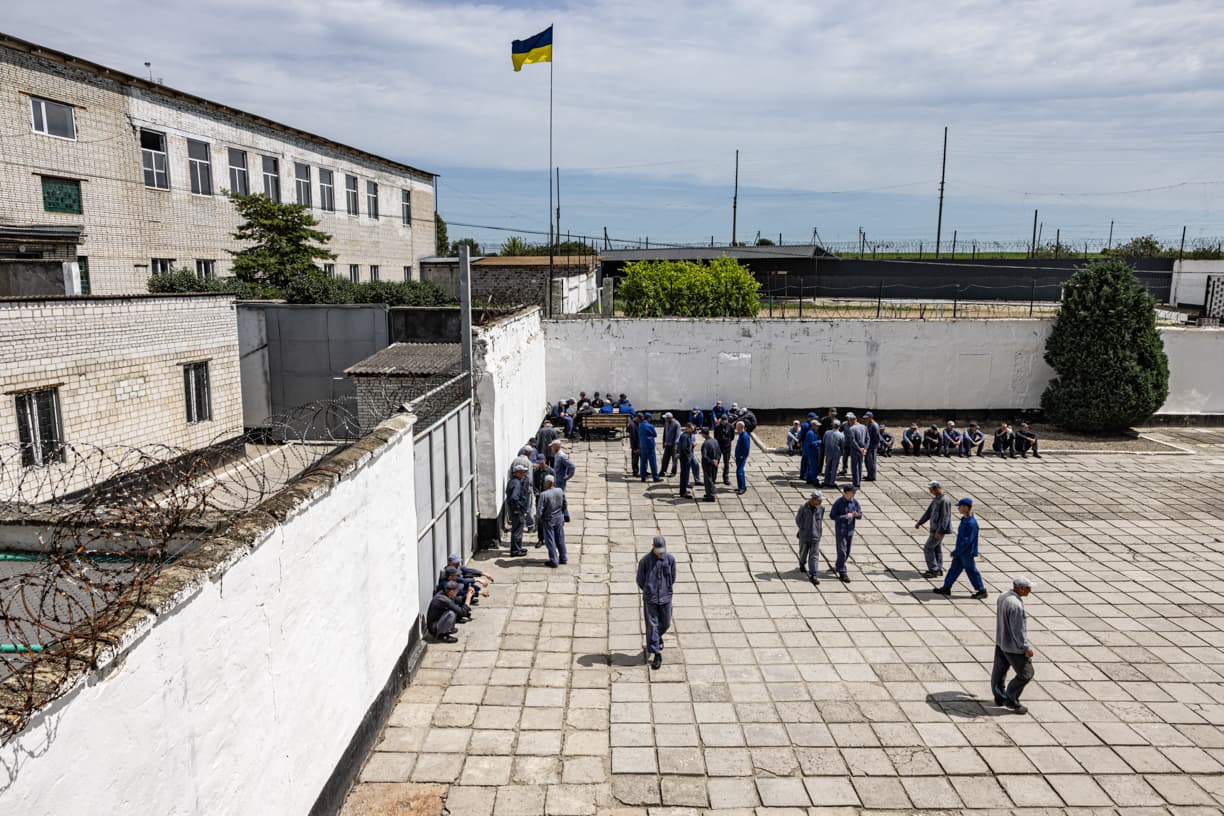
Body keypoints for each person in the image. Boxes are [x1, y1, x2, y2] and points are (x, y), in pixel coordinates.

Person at [992, 576, 1035, 714]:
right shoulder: (1016, 605)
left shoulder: (1003, 596)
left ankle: (999, 696)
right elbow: (1018, 630)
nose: (1030, 591)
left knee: (999, 671)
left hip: (1001, 641)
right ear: (1020, 588)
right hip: (1012, 647)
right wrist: (1025, 648)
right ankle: (1011, 699)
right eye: (1028, 588)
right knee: (1026, 674)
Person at [932, 498, 988, 599]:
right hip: (960, 552)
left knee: (971, 571)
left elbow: (967, 541)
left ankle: (981, 590)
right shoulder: (964, 520)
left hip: (966, 553)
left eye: (960, 506)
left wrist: (957, 551)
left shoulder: (971, 523)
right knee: (953, 569)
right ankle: (946, 587)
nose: (958, 508)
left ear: (966, 507)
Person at [636, 535, 677, 669]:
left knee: (666, 622)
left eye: (662, 551)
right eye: (658, 551)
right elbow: (640, 580)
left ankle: (655, 637)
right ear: (653, 547)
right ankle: (656, 653)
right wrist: (649, 589)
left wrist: (667, 588)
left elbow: (673, 576)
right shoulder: (645, 562)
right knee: (652, 625)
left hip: (666, 597)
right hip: (651, 599)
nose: (660, 554)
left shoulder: (670, 560)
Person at [914, 480, 952, 578]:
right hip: (934, 529)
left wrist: (940, 531)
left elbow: (945, 518)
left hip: (938, 530)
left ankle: (933, 570)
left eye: (931, 490)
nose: (930, 492)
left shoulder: (944, 501)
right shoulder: (936, 499)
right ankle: (938, 569)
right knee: (936, 548)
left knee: (928, 547)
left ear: (936, 488)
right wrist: (920, 522)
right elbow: (928, 512)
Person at [829, 484, 862, 583]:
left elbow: (860, 515)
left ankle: (839, 565)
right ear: (846, 493)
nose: (854, 493)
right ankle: (843, 573)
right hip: (841, 531)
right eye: (853, 492)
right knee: (842, 552)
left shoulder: (855, 502)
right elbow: (832, 516)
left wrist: (857, 515)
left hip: (850, 530)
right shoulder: (838, 503)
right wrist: (844, 516)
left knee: (847, 552)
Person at [536, 474, 569, 567]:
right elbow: (565, 503)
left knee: (550, 540)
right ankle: (563, 557)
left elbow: (539, 510)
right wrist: (561, 512)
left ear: (547, 483)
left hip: (548, 520)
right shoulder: (559, 491)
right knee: (560, 538)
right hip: (559, 518)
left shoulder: (544, 494)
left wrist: (539, 519)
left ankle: (554, 560)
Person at [795, 490, 825, 584]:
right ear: (813, 499)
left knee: (814, 556)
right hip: (805, 535)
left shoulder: (821, 508)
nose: (821, 502)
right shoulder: (803, 507)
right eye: (819, 500)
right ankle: (802, 563)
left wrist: (819, 531)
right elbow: (798, 520)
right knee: (803, 552)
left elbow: (820, 520)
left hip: (816, 535)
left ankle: (813, 574)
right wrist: (803, 528)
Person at [505, 464, 531, 556]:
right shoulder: (516, 483)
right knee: (517, 531)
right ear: (518, 473)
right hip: (517, 511)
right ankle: (516, 551)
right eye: (523, 472)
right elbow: (514, 497)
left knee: (518, 529)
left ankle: (518, 548)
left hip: (516, 510)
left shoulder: (512, 481)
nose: (524, 474)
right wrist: (516, 509)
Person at [844, 413, 868, 488]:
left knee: (854, 467)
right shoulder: (864, 427)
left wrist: (859, 449)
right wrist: (865, 448)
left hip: (855, 450)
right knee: (860, 466)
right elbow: (868, 438)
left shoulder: (852, 429)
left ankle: (856, 484)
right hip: (862, 449)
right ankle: (859, 480)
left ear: (851, 421)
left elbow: (853, 441)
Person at [822, 420, 845, 488]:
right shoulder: (841, 435)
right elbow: (842, 445)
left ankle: (826, 481)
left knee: (827, 467)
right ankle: (832, 482)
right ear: (839, 426)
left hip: (828, 452)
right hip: (836, 453)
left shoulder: (827, 433)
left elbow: (823, 441)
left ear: (832, 425)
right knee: (834, 468)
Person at [638, 413, 660, 482]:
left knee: (643, 462)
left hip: (642, 445)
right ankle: (655, 477)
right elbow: (655, 434)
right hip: (649, 446)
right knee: (652, 462)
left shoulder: (640, 425)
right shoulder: (650, 426)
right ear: (648, 418)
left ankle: (643, 477)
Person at [677, 422, 697, 498]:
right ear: (687, 428)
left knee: (685, 475)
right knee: (684, 475)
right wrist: (688, 457)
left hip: (686, 457)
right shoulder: (685, 436)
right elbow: (684, 448)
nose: (693, 430)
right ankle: (683, 492)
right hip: (685, 458)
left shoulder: (688, 435)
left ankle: (684, 489)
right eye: (691, 429)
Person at [699, 427, 720, 502]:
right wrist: (716, 461)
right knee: (713, 479)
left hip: (708, 465)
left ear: (704, 434)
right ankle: (711, 492)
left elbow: (704, 456)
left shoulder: (706, 444)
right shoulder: (715, 441)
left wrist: (711, 461)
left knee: (708, 480)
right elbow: (719, 452)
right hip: (715, 464)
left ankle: (710, 496)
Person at [660, 412, 682, 477]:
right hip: (667, 444)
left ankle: (673, 472)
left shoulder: (677, 424)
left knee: (674, 459)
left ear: (670, 418)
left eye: (666, 418)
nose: (665, 419)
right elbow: (665, 432)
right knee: (665, 458)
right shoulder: (666, 423)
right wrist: (664, 441)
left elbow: (678, 435)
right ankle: (663, 470)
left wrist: (675, 445)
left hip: (674, 445)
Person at [715, 416, 734, 485]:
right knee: (716, 462)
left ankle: (726, 478)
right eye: (723, 421)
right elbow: (715, 436)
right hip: (719, 447)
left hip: (727, 447)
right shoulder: (717, 427)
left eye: (726, 420)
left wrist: (727, 441)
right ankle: (714, 477)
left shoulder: (730, 426)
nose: (725, 422)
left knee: (726, 463)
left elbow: (732, 437)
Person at [802, 419, 822, 485]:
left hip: (813, 452)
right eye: (817, 426)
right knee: (814, 467)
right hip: (812, 452)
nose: (818, 427)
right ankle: (814, 480)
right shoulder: (810, 433)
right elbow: (810, 443)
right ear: (813, 426)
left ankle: (809, 479)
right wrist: (819, 442)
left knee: (811, 466)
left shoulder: (813, 432)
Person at [734, 420, 751, 494]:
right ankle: (741, 486)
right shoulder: (741, 434)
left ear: (740, 427)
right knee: (740, 471)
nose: (736, 428)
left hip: (741, 457)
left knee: (739, 472)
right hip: (738, 456)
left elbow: (747, 448)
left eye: (737, 427)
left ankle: (742, 488)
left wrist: (742, 456)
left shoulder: (744, 436)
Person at [864, 411, 881, 481]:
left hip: (872, 446)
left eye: (867, 418)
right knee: (867, 461)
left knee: (871, 461)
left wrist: (877, 444)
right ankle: (869, 475)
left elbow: (877, 436)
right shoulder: (869, 424)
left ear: (871, 417)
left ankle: (872, 476)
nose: (866, 419)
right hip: (868, 445)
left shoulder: (874, 425)